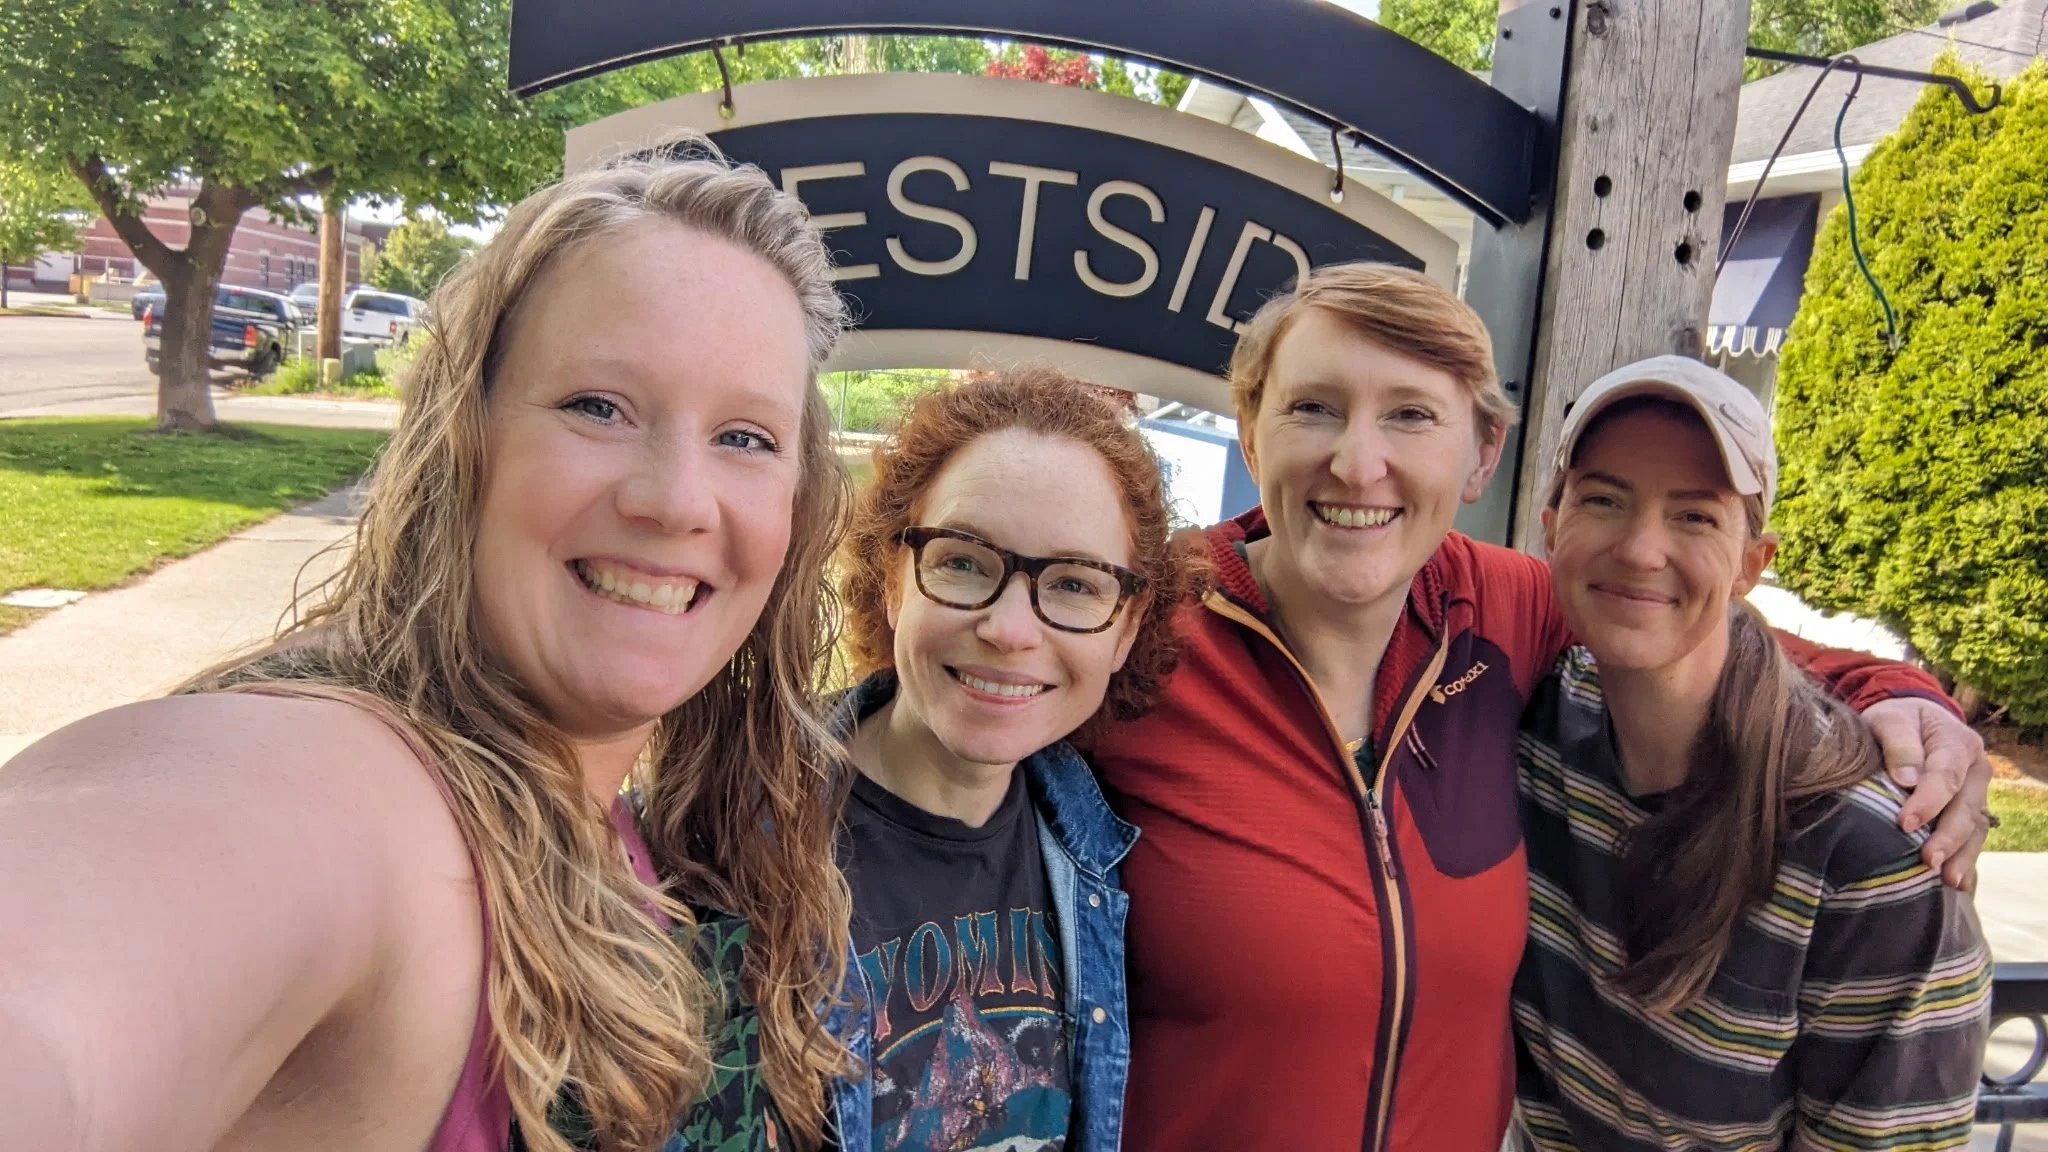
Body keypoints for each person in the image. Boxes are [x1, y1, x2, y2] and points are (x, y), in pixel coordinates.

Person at [0, 142, 861, 1152]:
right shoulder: (348, 795)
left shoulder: (625, 814)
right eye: (597, 407)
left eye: (745, 437)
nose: (675, 500)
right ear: (464, 436)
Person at [1084, 264, 1997, 1151]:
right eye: (1313, 407)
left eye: (1411, 414)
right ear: (1250, 433)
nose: (1358, 462)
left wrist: (1903, 695)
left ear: (1481, 455)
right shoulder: (1134, 631)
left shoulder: (1500, 608)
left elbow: (1697, 626)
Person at [1512, 356, 1991, 1150]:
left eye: (1695, 516)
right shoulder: (1529, 725)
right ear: (1551, 525)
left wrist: (1907, 693)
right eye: (1604, 499)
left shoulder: (1872, 856)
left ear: (1750, 564)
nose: (1641, 549)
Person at [830, 368, 1195, 1152]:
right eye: (963, 561)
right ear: (894, 580)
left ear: (1126, 627)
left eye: (1074, 584)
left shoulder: (1100, 856)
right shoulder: (727, 842)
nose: (1010, 629)